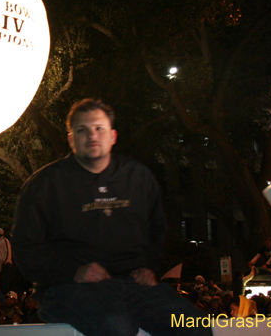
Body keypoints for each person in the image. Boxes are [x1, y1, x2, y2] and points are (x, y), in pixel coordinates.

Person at [12, 98, 211, 336]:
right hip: (67, 288)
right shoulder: (45, 184)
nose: (92, 136)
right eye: (82, 130)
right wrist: (74, 271)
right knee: (117, 327)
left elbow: (157, 229)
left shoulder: (137, 177)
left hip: (133, 286)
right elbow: (25, 248)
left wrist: (148, 266)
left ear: (113, 136)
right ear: (71, 139)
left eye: (99, 128)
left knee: (195, 326)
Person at [0, 228, 14, 293]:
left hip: (5, 263)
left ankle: (4, 292)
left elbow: (7, 251)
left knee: (5, 280)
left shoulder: (4, 240)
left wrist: (4, 261)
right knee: (1, 280)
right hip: (0, 263)